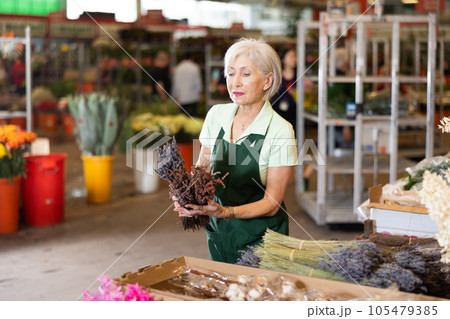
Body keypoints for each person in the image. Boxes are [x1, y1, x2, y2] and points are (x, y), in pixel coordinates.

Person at [174, 38, 298, 264]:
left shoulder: (280, 130)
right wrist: (187, 195)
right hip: (220, 233)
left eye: (245, 74)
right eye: (230, 73)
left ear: (267, 80)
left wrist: (226, 212)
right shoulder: (217, 115)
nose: (235, 82)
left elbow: (272, 204)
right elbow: (202, 169)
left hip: (263, 238)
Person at [270, 48, 297, 131]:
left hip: (294, 114)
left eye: (295, 56)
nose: (294, 59)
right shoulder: (276, 77)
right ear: (284, 59)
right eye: (291, 56)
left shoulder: (300, 77)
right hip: (277, 112)